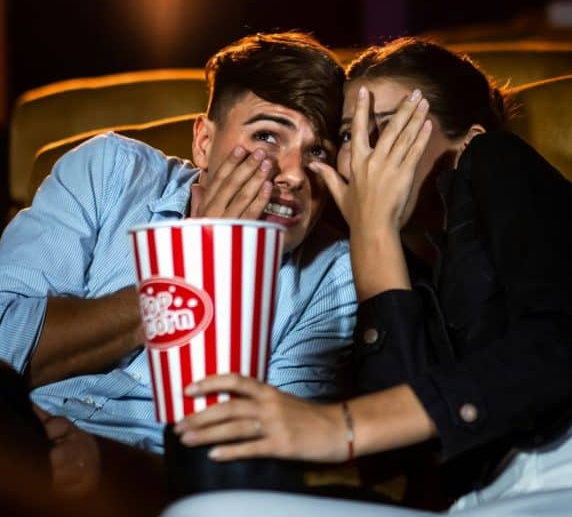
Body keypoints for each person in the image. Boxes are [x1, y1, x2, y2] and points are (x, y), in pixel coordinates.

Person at [170, 38, 572, 517]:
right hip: (480, 505)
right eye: (349, 136)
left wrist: (340, 425)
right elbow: (402, 461)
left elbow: (566, 342)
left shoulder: (496, 160)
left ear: (466, 140)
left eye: (385, 130)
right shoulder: (371, 262)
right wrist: (375, 239)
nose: (364, 157)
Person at [0, 31, 356, 457]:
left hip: (145, 484)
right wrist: (192, 264)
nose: (296, 175)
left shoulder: (332, 274)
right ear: (204, 143)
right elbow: (3, 337)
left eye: (317, 152)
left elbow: (261, 455)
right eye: (266, 136)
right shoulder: (108, 171)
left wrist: (104, 464)